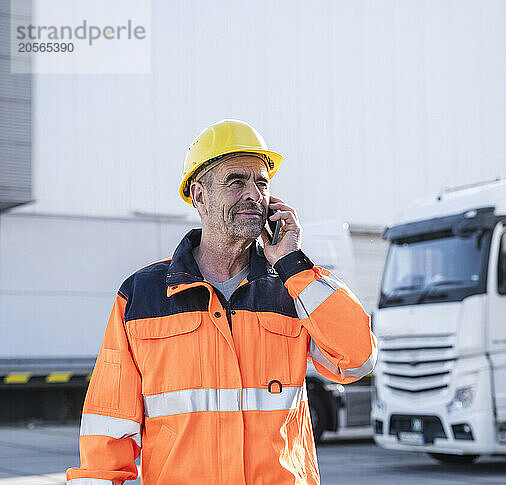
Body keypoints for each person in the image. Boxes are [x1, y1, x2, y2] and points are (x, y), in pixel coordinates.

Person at [66, 119, 377, 484]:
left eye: (262, 183)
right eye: (236, 182)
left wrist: (293, 265)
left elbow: (358, 360)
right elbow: (108, 430)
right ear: (200, 196)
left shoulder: (293, 289)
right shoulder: (142, 296)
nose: (254, 195)